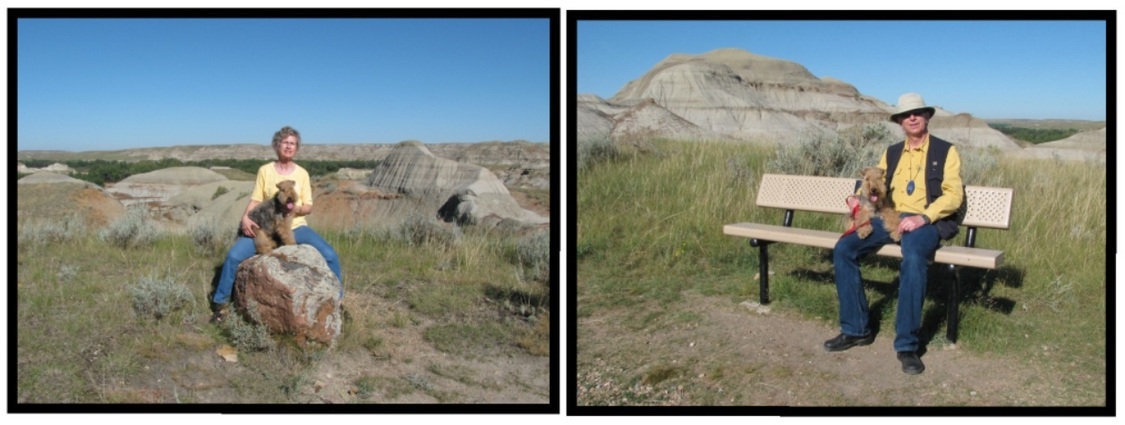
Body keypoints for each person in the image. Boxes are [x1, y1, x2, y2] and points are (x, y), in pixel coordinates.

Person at [824, 93, 964, 375]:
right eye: (905, 115)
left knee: (912, 258)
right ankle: (856, 329)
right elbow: (874, 181)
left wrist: (923, 217)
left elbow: (954, 196)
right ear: (900, 121)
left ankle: (907, 345)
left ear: (926, 117)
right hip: (889, 216)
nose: (911, 118)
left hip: (926, 222)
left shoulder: (946, 151)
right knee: (844, 249)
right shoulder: (891, 152)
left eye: (917, 113)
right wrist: (855, 198)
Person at [209, 126, 343, 323]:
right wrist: (245, 218)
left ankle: (339, 301)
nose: (289, 146)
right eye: (285, 142)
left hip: (295, 226)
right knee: (233, 256)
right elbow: (255, 200)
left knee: (330, 255)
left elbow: (308, 207)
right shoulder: (265, 170)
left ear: (297, 147)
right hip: (265, 228)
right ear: (276, 145)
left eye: (292, 143)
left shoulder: (302, 174)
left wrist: (294, 210)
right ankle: (220, 305)